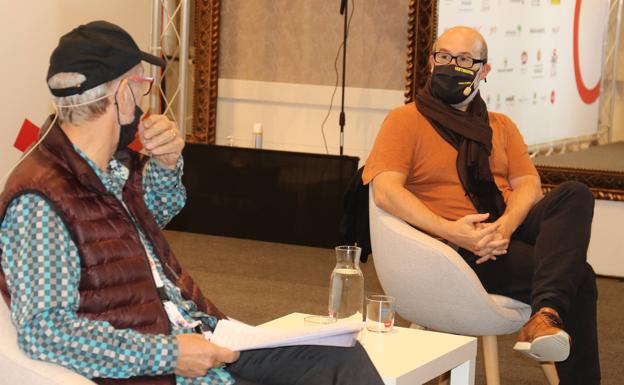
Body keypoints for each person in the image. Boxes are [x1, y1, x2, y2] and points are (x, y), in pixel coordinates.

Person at [0, 21, 384, 385]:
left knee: (342, 357)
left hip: (199, 331)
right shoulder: (40, 201)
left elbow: (148, 223)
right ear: (120, 94)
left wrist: (167, 163)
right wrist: (169, 354)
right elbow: (45, 333)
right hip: (162, 363)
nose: (143, 98)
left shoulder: (108, 167)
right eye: (142, 85)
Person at [363, 26, 599, 385]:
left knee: (575, 194)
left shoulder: (500, 126)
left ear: (484, 70)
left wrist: (503, 228)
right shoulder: (404, 120)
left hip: (499, 233)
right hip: (451, 248)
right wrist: (453, 233)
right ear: (430, 62)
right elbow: (385, 191)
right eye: (443, 57)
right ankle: (546, 317)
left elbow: (528, 185)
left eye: (463, 59)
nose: (450, 65)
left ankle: (545, 314)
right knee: (579, 277)